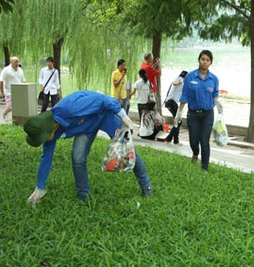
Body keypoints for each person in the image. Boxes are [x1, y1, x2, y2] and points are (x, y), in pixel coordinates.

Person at [23, 91, 153, 205]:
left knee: (128, 151)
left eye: (42, 138)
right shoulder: (50, 132)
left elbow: (102, 99)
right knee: (77, 158)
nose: (44, 141)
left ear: (48, 130)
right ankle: (84, 196)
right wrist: (39, 188)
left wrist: (123, 116)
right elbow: (46, 158)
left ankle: (146, 186)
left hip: (103, 116)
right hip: (85, 128)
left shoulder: (70, 108)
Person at [175, 50, 223, 173]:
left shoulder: (214, 79)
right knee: (194, 141)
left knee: (204, 140)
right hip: (193, 114)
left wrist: (219, 107)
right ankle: (195, 153)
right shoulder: (190, 76)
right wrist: (179, 113)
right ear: (199, 60)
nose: (205, 62)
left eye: (207, 60)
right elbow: (184, 95)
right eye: (203, 59)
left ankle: (204, 168)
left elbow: (215, 96)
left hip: (208, 114)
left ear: (211, 63)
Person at [165, 70, 188, 144]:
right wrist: (177, 83)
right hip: (172, 102)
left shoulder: (181, 81)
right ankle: (172, 138)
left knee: (178, 121)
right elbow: (174, 83)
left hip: (170, 102)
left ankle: (173, 139)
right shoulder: (180, 79)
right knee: (179, 121)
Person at [0, 57, 26, 121]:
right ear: (11, 62)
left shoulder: (20, 70)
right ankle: (4, 113)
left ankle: (16, 119)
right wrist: (2, 92)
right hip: (9, 91)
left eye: (18, 62)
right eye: (15, 62)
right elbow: (1, 81)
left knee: (18, 106)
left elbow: (23, 80)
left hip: (18, 91)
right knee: (10, 106)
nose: (17, 63)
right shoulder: (6, 70)